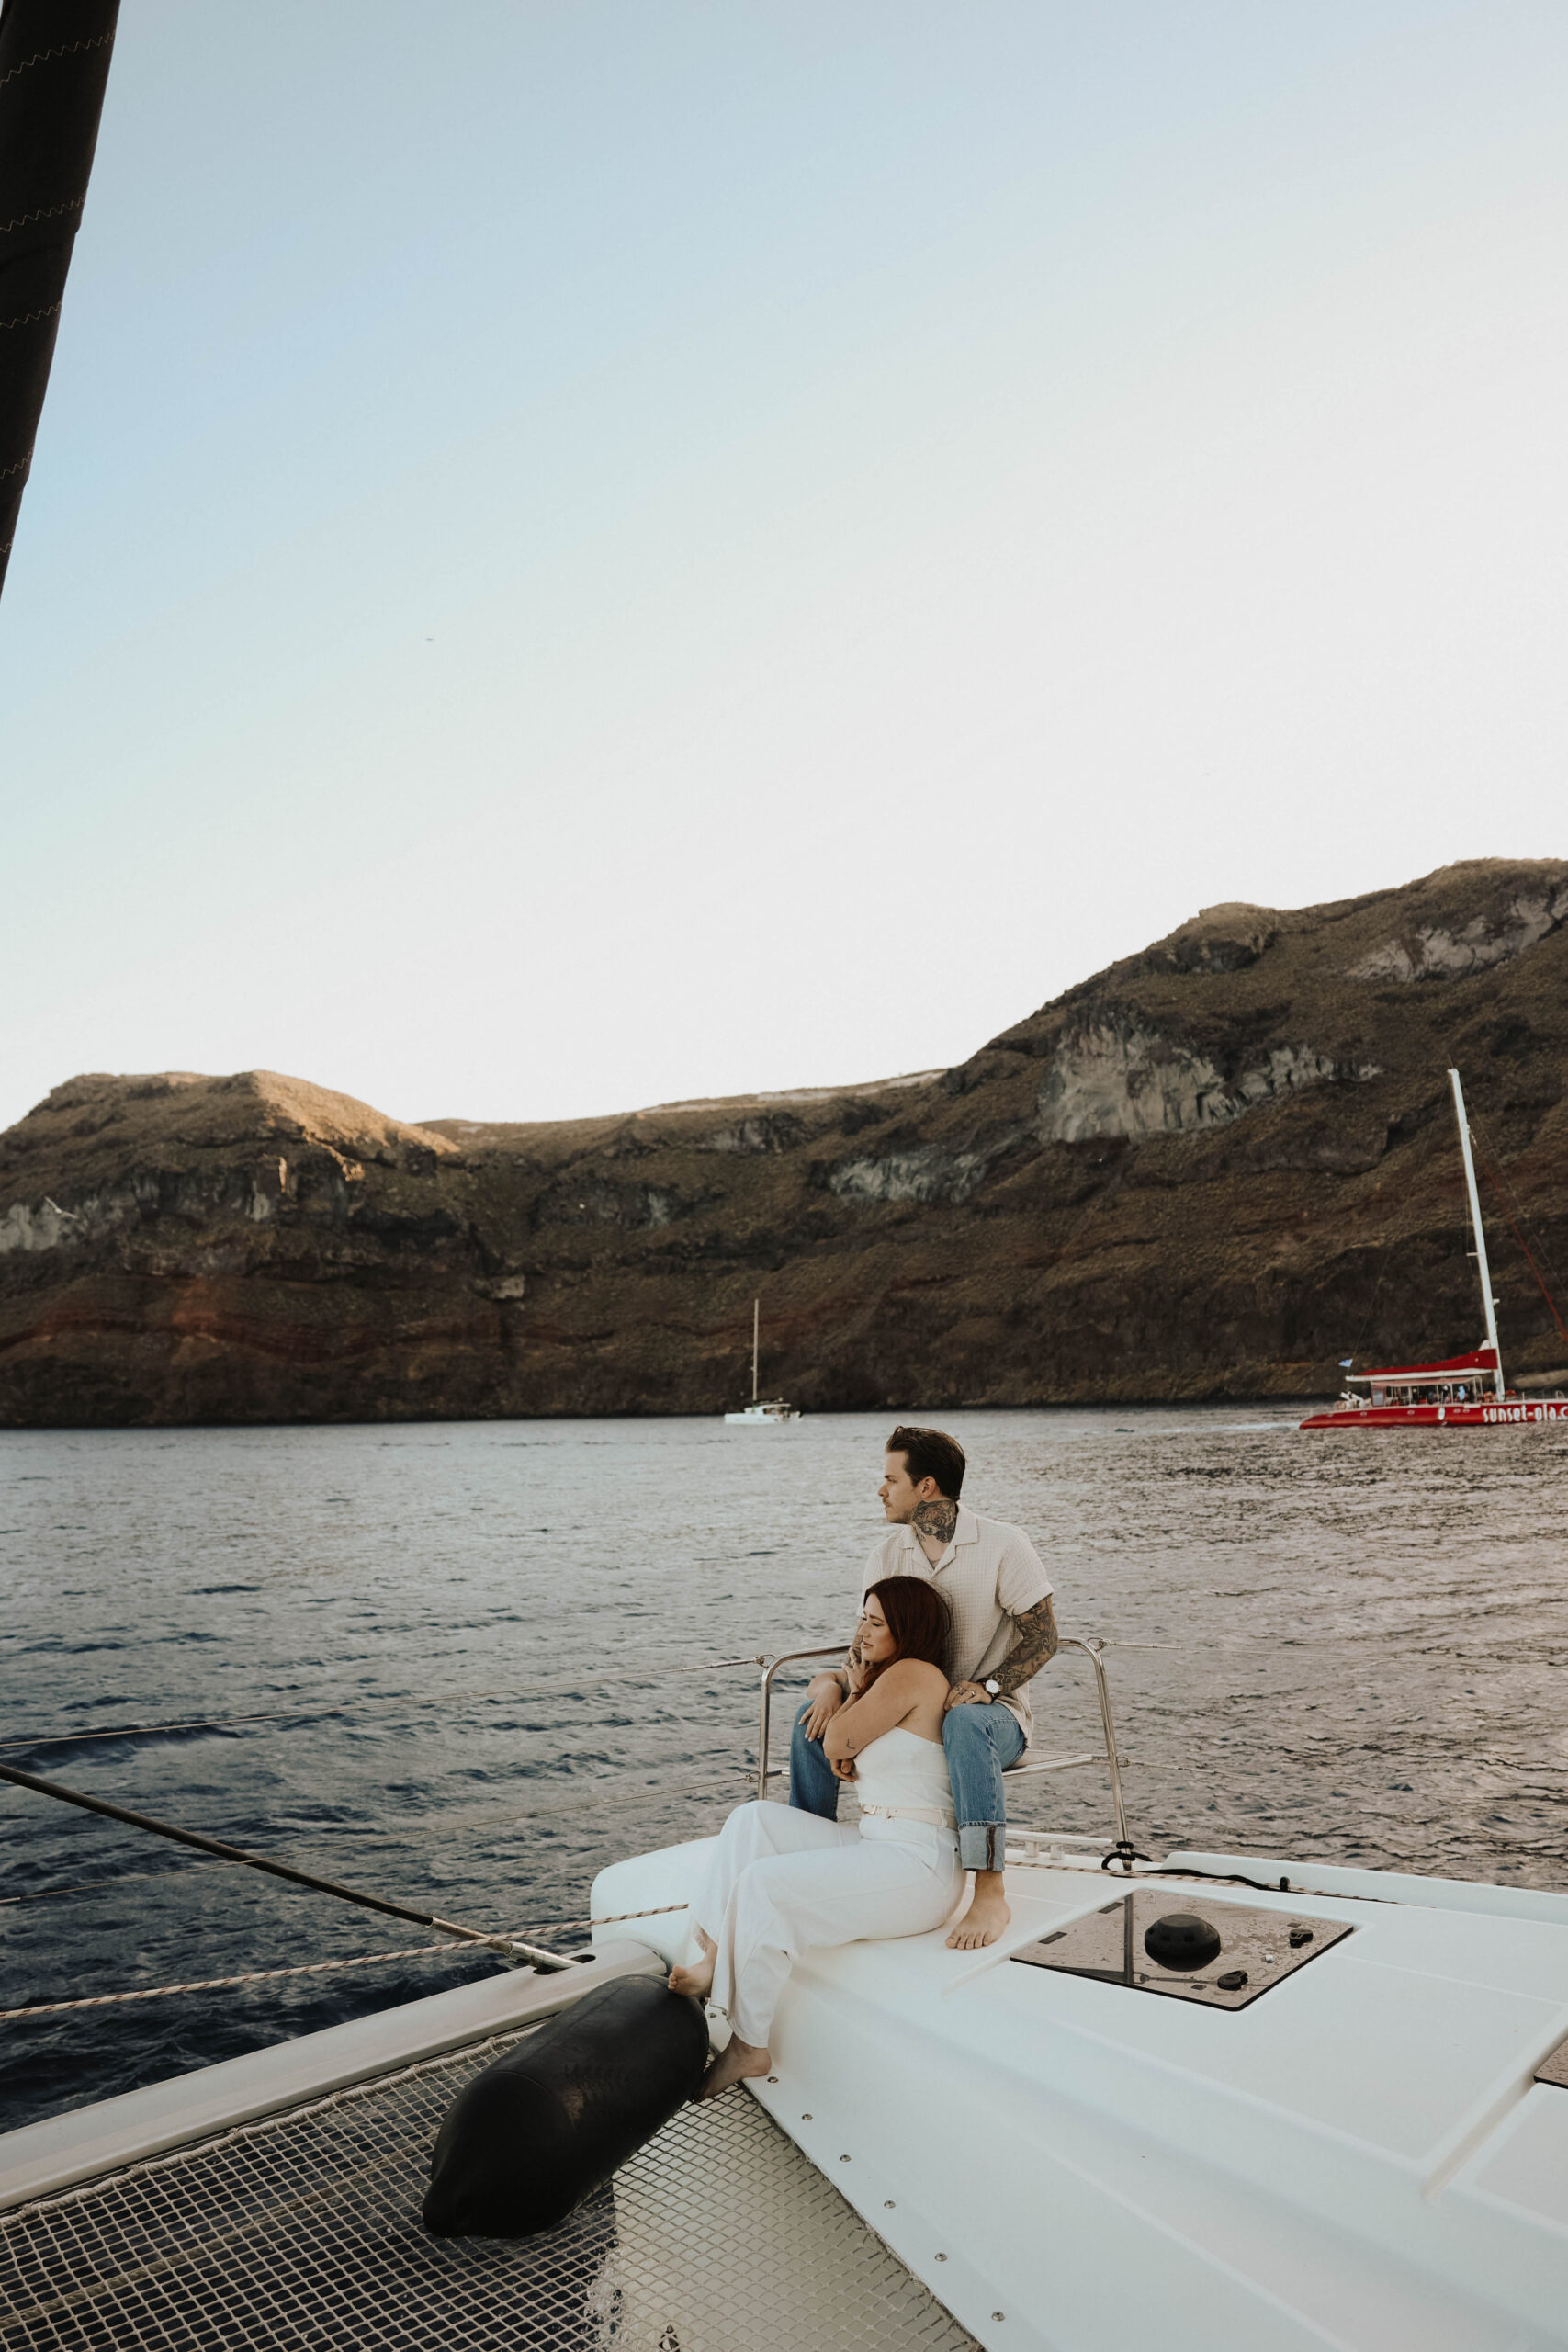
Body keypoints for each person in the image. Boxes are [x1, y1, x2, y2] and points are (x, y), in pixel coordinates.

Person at [669, 1577, 962, 2100]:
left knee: (765, 1886)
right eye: (862, 1618)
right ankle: (714, 1957)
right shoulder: (883, 1676)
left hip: (922, 1863)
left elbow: (836, 1738)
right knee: (752, 1819)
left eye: (876, 1623)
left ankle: (749, 2045)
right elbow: (821, 1692)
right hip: (879, 1839)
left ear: (908, 1631)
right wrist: (835, 1686)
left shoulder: (914, 1675)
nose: (861, 1632)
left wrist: (851, 1694)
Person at [790, 1424, 1058, 1951]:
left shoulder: (1004, 1544)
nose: (880, 1490)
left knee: (965, 1720)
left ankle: (989, 1888)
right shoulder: (888, 1555)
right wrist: (833, 1688)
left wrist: (990, 1685)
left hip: (990, 1716)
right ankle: (807, 1853)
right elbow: (863, 1643)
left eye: (890, 1479)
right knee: (812, 1721)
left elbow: (1044, 1638)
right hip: (909, 1709)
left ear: (927, 1487)